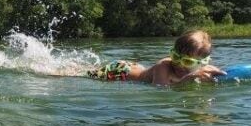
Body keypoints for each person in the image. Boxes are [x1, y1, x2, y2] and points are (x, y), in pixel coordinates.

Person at [86, 29, 223, 86]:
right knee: (86, 74)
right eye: (175, 57)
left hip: (138, 68)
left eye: (187, 61)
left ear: (202, 63)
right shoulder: (163, 66)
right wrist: (187, 79)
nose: (179, 65)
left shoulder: (204, 69)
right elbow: (160, 90)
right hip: (121, 71)